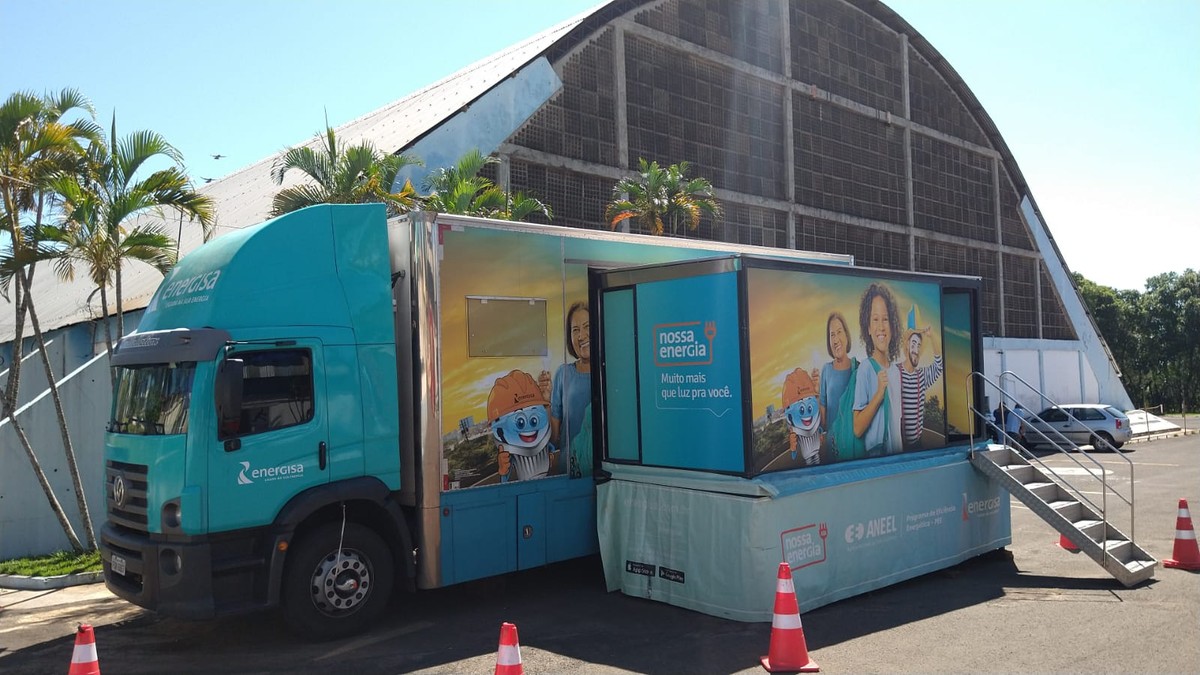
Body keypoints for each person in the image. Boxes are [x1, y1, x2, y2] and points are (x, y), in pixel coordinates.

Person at [852, 282, 903, 455]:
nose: (881, 327)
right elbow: (857, 428)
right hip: (877, 461)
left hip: (897, 458)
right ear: (868, 328)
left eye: (885, 319)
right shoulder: (865, 369)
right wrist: (879, 394)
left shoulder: (896, 372)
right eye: (875, 319)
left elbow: (896, 425)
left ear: (893, 327)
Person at [543, 301, 592, 477]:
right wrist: (546, 401)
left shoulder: (610, 373)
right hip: (570, 472)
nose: (581, 335)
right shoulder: (563, 374)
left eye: (587, 327)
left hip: (601, 474)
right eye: (575, 330)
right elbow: (554, 438)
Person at [896, 306, 943, 450]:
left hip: (917, 445)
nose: (916, 350)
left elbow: (939, 365)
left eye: (919, 345)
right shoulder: (894, 372)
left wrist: (932, 336)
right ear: (907, 345)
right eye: (913, 344)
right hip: (897, 445)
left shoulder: (922, 376)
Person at [818, 311, 855, 459]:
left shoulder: (858, 369)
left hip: (854, 448)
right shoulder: (826, 370)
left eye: (839, 332)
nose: (835, 339)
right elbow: (823, 419)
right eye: (832, 335)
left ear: (846, 335)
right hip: (832, 450)